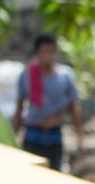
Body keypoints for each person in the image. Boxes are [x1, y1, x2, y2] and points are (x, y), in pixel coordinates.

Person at [12, 34, 84, 171]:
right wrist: (13, 135)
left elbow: (74, 108)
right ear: (37, 53)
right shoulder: (27, 76)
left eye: (51, 52)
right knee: (29, 173)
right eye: (45, 52)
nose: (48, 56)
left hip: (54, 135)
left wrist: (80, 138)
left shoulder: (65, 76)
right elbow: (19, 107)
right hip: (33, 133)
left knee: (53, 174)